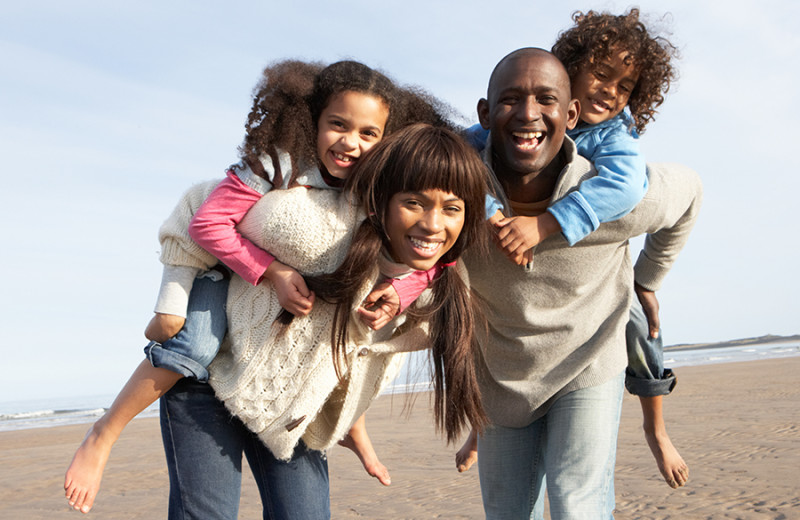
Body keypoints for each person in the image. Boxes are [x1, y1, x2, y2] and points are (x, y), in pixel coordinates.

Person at [64, 59, 451, 514]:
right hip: (218, 281)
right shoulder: (279, 162)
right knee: (191, 346)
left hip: (286, 385)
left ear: (388, 138)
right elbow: (208, 223)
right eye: (338, 125)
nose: (351, 142)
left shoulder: (380, 191)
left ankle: (351, 428)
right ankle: (104, 432)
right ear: (313, 120)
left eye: (369, 134)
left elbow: (435, 254)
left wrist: (401, 294)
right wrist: (274, 271)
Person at [159, 123, 489, 519]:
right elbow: (203, 209)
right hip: (212, 380)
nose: (434, 224)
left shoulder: (443, 280)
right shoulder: (313, 228)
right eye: (413, 203)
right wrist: (269, 272)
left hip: (292, 407)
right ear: (377, 203)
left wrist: (404, 291)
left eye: (452, 208)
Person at [461, 48, 701, 518]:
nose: (528, 114)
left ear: (568, 113)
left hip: (587, 361)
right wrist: (484, 215)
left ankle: (658, 429)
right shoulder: (456, 191)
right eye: (511, 100)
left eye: (545, 100)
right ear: (486, 114)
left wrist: (647, 281)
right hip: (502, 372)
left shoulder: (616, 191)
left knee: (576, 503)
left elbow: (689, 189)